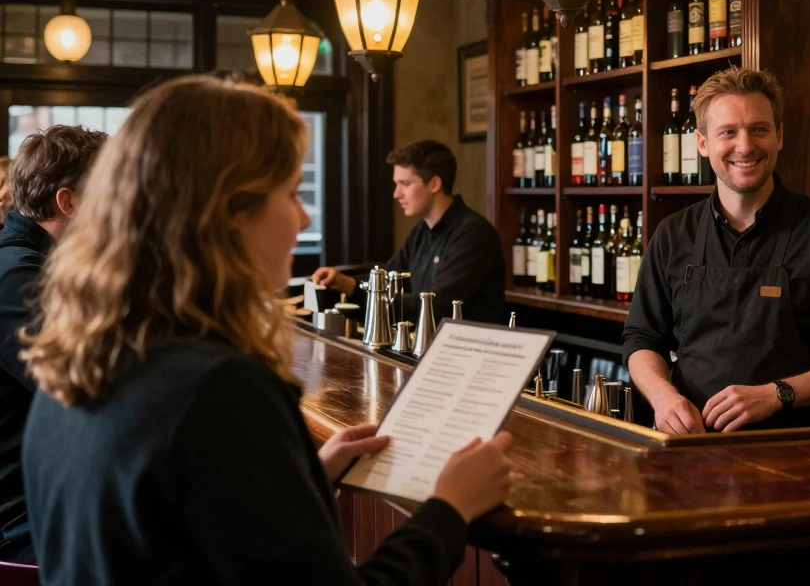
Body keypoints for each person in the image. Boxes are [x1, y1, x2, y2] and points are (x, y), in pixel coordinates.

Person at [20, 76, 513, 585]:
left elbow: (176, 537)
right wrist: (450, 508)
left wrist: (307, 479)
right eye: (292, 192)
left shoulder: (75, 356)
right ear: (228, 213)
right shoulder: (219, 389)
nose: (303, 218)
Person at [623, 66, 810, 434]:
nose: (745, 146)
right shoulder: (672, 235)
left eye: (759, 129)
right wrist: (663, 397)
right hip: (693, 452)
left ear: (779, 136)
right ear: (702, 143)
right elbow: (642, 339)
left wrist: (778, 393)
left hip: (796, 451)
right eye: (728, 132)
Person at [0, 126, 107, 564]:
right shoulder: (17, 278)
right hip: (23, 516)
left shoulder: (44, 264)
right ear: (69, 202)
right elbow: (90, 390)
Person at [312, 140, 505, 325]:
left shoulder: (473, 234)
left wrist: (354, 288)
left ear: (434, 184)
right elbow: (389, 276)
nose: (397, 194)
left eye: (405, 183)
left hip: (466, 352)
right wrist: (345, 282)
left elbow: (435, 307)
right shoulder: (422, 230)